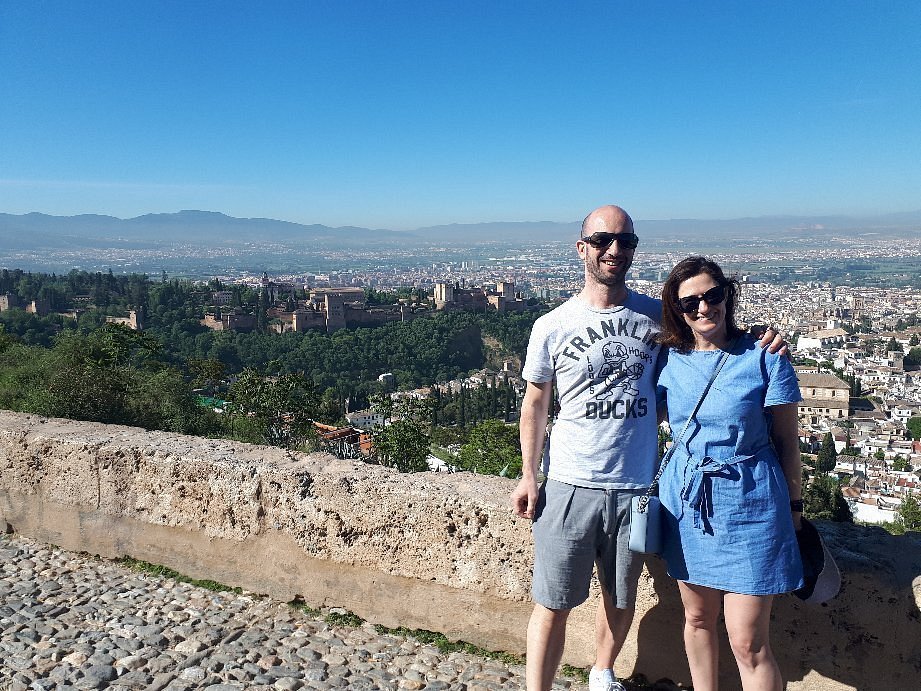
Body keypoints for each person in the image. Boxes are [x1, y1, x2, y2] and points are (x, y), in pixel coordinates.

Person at [511, 206, 784, 691]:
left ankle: (602, 671)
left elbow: (705, 353)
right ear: (582, 248)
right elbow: (535, 404)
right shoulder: (551, 324)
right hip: (571, 482)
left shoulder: (656, 317)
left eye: (626, 242)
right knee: (552, 601)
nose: (614, 250)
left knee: (620, 598)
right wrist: (529, 474)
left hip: (637, 484)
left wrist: (763, 342)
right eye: (602, 240)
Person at [655, 256, 803, 691]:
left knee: (748, 643)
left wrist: (794, 509)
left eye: (712, 296)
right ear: (676, 309)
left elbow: (788, 443)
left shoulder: (765, 356)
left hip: (752, 506)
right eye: (690, 303)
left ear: (727, 296)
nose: (703, 308)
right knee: (697, 618)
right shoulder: (667, 360)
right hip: (687, 504)